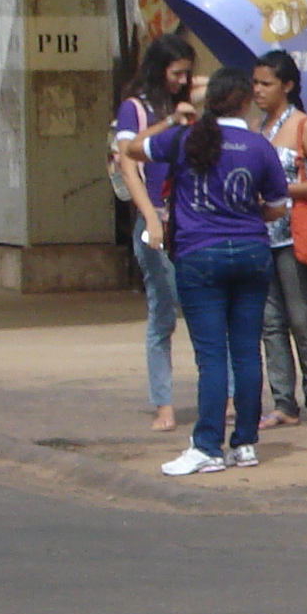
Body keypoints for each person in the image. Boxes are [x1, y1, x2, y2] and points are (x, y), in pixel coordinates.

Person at [117, 67, 288, 476]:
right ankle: (244, 443)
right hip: (252, 252)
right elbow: (279, 204)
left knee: (212, 356)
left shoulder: (183, 138)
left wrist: (172, 119)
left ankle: (208, 445)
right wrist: (250, 215)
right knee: (247, 350)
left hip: (199, 255)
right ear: (246, 101)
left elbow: (133, 150)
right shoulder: (257, 145)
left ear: (207, 99)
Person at [111, 32, 200, 433]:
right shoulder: (136, 110)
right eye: (176, 73)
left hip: (191, 220)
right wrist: (168, 123)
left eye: (187, 74)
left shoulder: (189, 103)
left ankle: (227, 394)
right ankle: (163, 403)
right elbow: (127, 156)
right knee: (162, 312)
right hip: (155, 217)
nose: (182, 81)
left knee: (202, 311)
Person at [250, 49, 307, 429]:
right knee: (270, 323)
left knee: (301, 318)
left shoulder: (306, 127)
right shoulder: (259, 129)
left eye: (266, 84)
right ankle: (283, 401)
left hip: (296, 236)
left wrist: (284, 188)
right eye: (255, 83)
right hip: (262, 237)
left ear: (286, 86)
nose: (258, 91)